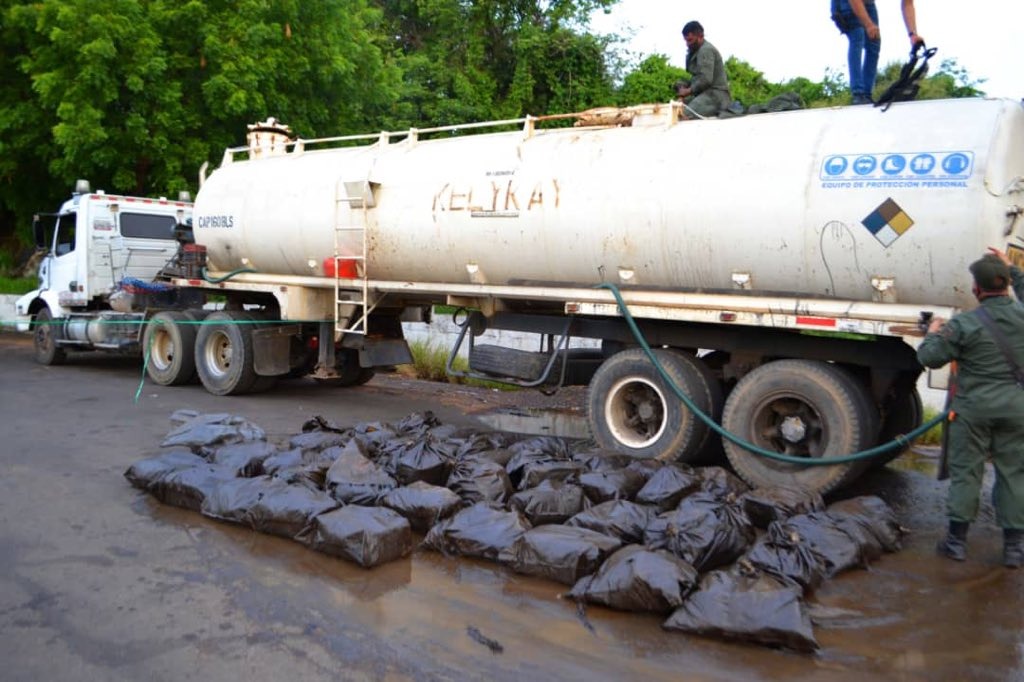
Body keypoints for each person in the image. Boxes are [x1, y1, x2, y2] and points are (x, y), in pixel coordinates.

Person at [917, 249, 1024, 568]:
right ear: (1006, 286)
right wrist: (1013, 269)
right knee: (1014, 474)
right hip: (1017, 409)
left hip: (973, 411)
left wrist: (932, 334)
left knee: (967, 473)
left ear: (976, 289)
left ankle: (956, 544)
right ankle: (1014, 549)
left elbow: (930, 358)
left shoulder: (964, 324)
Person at [837, 0, 925, 104]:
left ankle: (866, 94)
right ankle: (858, 94)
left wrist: (912, 34)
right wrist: (869, 24)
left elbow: (907, 4)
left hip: (868, 3)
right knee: (858, 35)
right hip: (845, 3)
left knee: (874, 43)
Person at [675, 21, 732, 118]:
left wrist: (688, 91)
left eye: (690, 40)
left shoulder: (705, 50)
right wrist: (682, 85)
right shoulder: (695, 52)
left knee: (683, 114)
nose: (687, 44)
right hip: (704, 94)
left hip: (716, 96)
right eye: (685, 40)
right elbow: (696, 77)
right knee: (674, 110)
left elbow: (705, 79)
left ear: (700, 36)